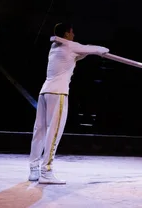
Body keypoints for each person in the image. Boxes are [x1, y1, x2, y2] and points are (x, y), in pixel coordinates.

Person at [28, 23, 109, 184]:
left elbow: (78, 55)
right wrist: (102, 51)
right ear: (66, 34)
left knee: (39, 131)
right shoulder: (70, 46)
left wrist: (87, 51)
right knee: (53, 132)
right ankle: (46, 171)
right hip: (58, 93)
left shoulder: (55, 47)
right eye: (72, 32)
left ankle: (34, 169)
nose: (73, 35)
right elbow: (98, 49)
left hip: (44, 92)